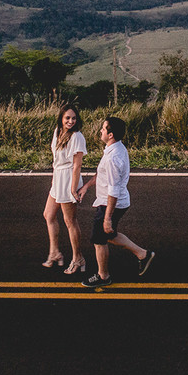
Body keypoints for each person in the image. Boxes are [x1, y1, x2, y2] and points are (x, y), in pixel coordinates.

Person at [74, 116, 155, 288]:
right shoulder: (116, 148)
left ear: (110, 134)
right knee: (109, 235)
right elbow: (102, 174)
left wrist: (107, 218)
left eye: (103, 129)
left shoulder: (113, 158)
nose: (100, 131)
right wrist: (87, 186)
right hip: (113, 201)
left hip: (110, 203)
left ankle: (103, 276)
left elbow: (113, 190)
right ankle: (143, 254)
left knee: (99, 239)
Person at [41, 104, 89, 274]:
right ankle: (54, 253)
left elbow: (77, 166)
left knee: (70, 221)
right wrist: (54, 181)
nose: (70, 121)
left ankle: (78, 258)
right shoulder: (57, 132)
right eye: (67, 118)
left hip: (69, 179)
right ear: (61, 118)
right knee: (49, 214)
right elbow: (55, 160)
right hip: (58, 179)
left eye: (74, 118)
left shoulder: (77, 137)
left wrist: (73, 189)